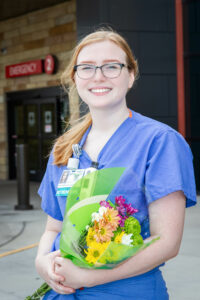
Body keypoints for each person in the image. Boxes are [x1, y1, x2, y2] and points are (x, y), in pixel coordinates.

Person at [35, 28, 197, 299]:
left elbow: (166, 242)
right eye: (86, 67)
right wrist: (41, 262)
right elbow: (54, 227)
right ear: (75, 77)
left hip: (128, 292)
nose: (98, 76)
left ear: (131, 76)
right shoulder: (63, 149)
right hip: (64, 291)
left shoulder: (160, 142)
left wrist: (90, 277)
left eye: (111, 66)